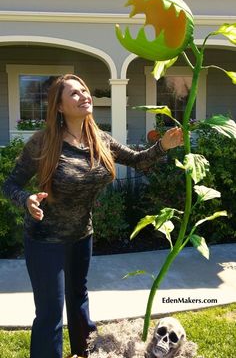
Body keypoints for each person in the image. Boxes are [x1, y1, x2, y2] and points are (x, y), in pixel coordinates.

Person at [3, 74, 183, 358]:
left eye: (85, 90)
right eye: (74, 93)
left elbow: (137, 160)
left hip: (81, 236)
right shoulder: (44, 142)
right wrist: (26, 200)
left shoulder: (100, 139)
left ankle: (86, 354)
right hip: (44, 239)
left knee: (78, 302)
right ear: (59, 106)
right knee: (50, 313)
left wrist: (163, 147)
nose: (84, 95)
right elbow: (9, 185)